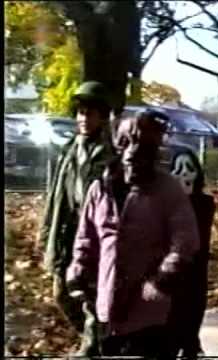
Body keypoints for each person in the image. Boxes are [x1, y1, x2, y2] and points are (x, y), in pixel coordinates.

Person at [66, 110, 200, 358]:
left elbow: (185, 241)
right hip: (107, 306)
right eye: (126, 143)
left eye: (142, 146)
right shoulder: (100, 189)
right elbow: (86, 238)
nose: (133, 153)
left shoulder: (167, 189)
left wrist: (161, 281)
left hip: (150, 314)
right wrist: (80, 272)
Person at [39, 81, 114, 356]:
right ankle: (99, 340)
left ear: (102, 117)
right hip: (67, 232)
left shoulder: (110, 155)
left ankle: (91, 347)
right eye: (81, 112)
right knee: (61, 293)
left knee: (91, 298)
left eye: (90, 113)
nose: (83, 118)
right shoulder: (70, 150)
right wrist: (47, 232)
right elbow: (56, 196)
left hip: (94, 238)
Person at [169, 149, 216, 358]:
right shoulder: (165, 204)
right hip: (170, 272)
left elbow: (198, 237)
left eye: (189, 169)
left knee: (191, 320)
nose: (184, 174)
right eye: (178, 169)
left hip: (195, 274)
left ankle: (191, 345)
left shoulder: (205, 204)